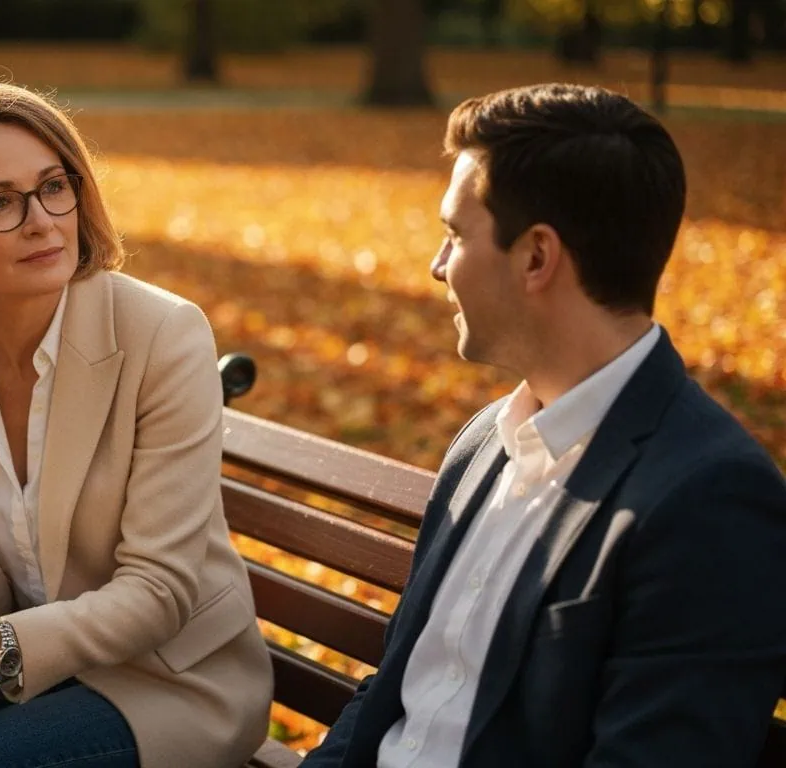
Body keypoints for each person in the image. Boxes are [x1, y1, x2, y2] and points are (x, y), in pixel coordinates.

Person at [302, 83, 786, 767]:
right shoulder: (484, 442)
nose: (437, 267)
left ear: (536, 257)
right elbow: (392, 695)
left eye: (454, 235)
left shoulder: (709, 500)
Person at [0, 80, 274, 768]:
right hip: (10, 666)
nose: (41, 221)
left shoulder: (161, 334)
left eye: (54, 187)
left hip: (167, 681)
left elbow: (158, 593)